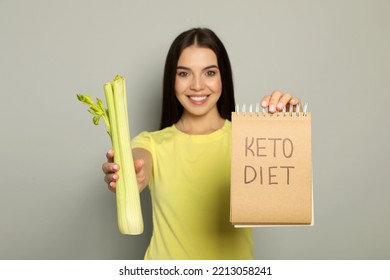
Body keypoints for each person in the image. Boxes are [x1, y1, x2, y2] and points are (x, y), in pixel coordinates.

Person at [102, 28, 300, 260]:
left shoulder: (248, 140)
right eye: (184, 74)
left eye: (209, 73)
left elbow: (284, 193)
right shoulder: (151, 143)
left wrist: (288, 131)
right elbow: (138, 163)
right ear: (171, 80)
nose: (197, 85)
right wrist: (129, 173)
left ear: (223, 77)